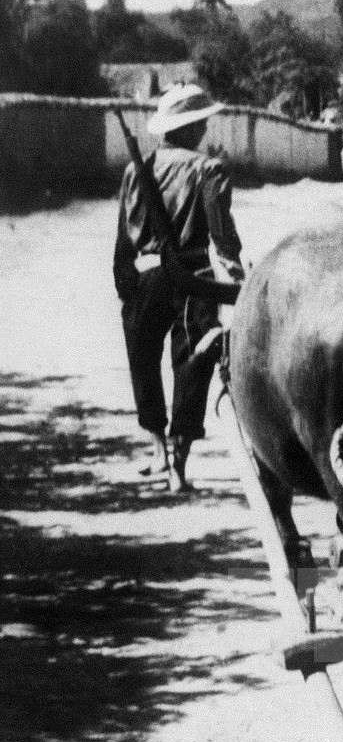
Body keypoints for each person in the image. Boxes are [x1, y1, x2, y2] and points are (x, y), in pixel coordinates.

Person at [113, 84, 244, 492]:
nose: (205, 129)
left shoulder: (138, 168)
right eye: (201, 123)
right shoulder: (210, 169)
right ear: (189, 128)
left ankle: (157, 450)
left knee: (143, 357)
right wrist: (238, 274)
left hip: (149, 274)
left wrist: (125, 284)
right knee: (193, 362)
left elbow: (124, 239)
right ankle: (179, 460)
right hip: (195, 276)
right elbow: (222, 238)